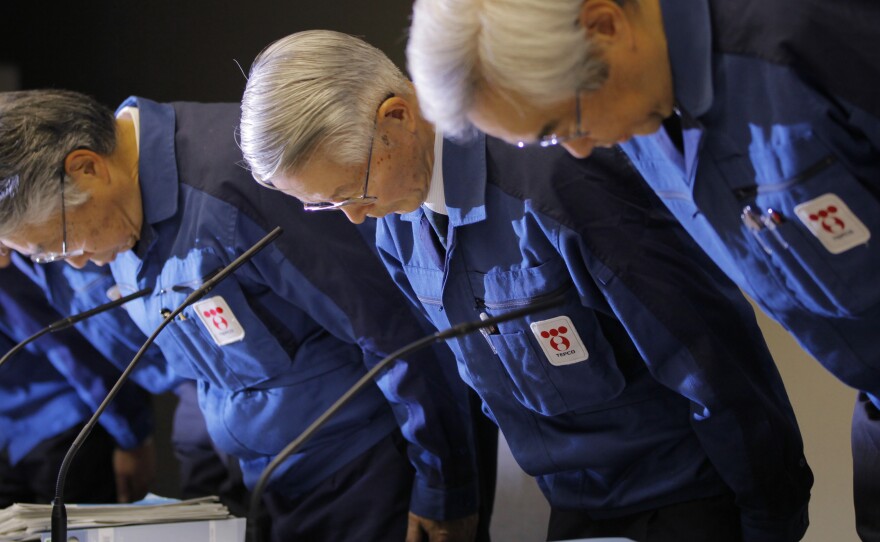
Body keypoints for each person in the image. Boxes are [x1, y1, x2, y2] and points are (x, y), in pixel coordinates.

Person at [238, 30, 814, 541]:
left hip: (686, 499)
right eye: (328, 205)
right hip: (574, 505)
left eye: (352, 190)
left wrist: (771, 517)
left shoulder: (556, 179)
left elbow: (710, 353)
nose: (355, 218)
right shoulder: (398, 224)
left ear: (397, 117)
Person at [405, 1, 880, 539]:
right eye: (541, 140)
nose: (578, 151)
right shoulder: (646, 124)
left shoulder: (803, 35)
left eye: (566, 122)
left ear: (605, 25)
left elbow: (705, 345)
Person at [0, 89, 482, 542]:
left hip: (366, 469)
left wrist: (445, 485)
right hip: (266, 485)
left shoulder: (238, 180)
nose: (76, 263)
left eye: (58, 247)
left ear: (87, 168)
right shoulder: (118, 218)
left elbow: (396, 329)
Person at [0, 263, 155, 506]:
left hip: (65, 434)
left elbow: (70, 351)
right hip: (14, 445)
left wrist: (132, 438)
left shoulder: (9, 273)